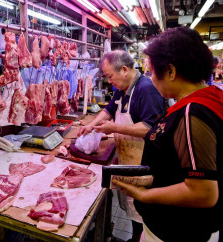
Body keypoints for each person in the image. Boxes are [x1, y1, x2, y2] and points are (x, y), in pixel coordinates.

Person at [112, 26, 222, 242]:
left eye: (153, 71)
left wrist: (144, 196)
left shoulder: (192, 112)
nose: (151, 78)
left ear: (171, 72)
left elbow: (204, 192)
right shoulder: (210, 98)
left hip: (179, 232)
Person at [78, 50, 165, 242]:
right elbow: (109, 110)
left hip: (144, 163)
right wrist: (91, 125)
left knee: (142, 212)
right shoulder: (124, 88)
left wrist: (113, 128)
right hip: (130, 159)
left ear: (124, 70)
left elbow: (150, 128)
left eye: (110, 76)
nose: (109, 81)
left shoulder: (146, 90)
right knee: (133, 209)